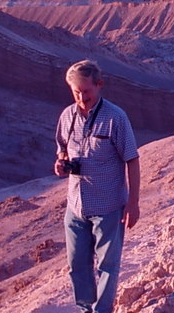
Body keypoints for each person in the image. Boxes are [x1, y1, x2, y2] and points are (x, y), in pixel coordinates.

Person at [54, 60, 140, 313]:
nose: (82, 98)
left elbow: (132, 159)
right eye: (76, 92)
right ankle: (85, 309)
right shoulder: (67, 116)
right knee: (77, 266)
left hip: (108, 207)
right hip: (76, 207)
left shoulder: (115, 117)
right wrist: (60, 164)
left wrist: (133, 203)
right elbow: (62, 149)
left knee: (107, 267)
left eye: (86, 91)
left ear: (99, 85)